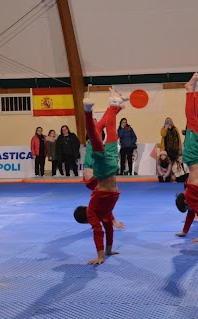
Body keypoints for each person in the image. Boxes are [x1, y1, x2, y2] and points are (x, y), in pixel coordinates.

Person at [73, 90, 126, 265]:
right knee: (112, 134)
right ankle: (113, 105)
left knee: (95, 139)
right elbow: (108, 228)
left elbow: (98, 231)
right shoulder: (102, 212)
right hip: (109, 174)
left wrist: (100, 256)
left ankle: (88, 111)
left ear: (87, 217)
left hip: (103, 172)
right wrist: (109, 250)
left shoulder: (93, 211)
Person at [174, 73, 198, 243]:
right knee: (194, 121)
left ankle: (190, 91)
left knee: (192, 120)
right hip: (195, 157)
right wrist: (184, 232)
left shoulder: (192, 200)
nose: (190, 210)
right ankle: (194, 92)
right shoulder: (191, 201)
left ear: (186, 203)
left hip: (193, 156)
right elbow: (192, 215)